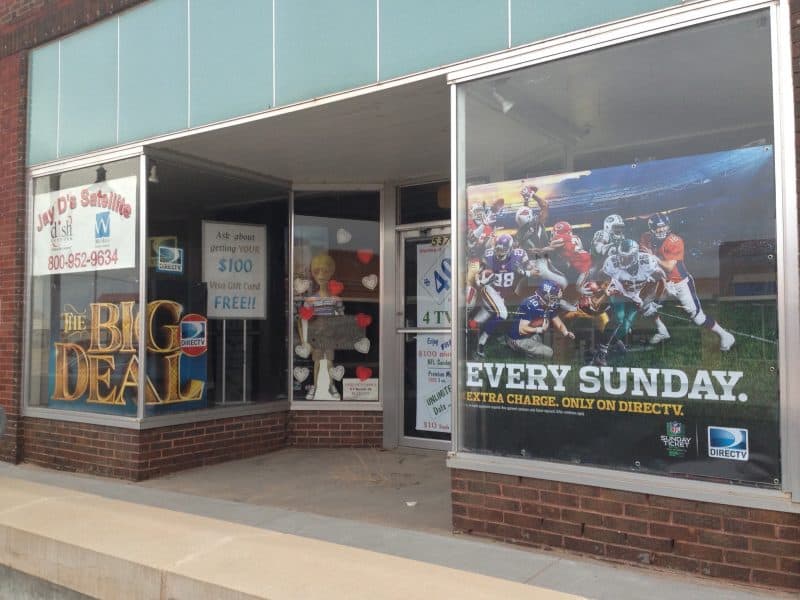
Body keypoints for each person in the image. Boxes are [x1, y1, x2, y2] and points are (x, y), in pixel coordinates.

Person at [639, 212, 735, 350]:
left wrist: (653, 258)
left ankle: (726, 335)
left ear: (668, 226)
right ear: (651, 229)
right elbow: (643, 259)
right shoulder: (646, 237)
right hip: (661, 281)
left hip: (680, 283)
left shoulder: (675, 241)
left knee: (698, 317)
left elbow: (669, 266)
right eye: (658, 228)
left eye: (664, 226)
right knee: (645, 306)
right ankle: (662, 331)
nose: (661, 230)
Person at [592, 239, 666, 366]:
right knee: (619, 318)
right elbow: (600, 276)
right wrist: (607, 288)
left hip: (635, 294)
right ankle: (601, 352)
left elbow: (661, 279)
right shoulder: (613, 262)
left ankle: (612, 342)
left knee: (626, 326)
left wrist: (653, 301)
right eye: (621, 256)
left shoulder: (646, 262)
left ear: (635, 256)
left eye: (627, 257)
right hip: (618, 291)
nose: (622, 260)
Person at [299, 253, 344, 400]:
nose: (321, 275)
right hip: (316, 335)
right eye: (317, 271)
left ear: (331, 273)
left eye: (325, 271)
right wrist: (305, 340)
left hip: (329, 334)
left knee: (330, 361)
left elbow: (341, 318)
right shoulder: (311, 299)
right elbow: (304, 320)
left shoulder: (335, 299)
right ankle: (315, 386)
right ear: (312, 273)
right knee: (317, 361)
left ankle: (331, 386)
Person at [505, 280, 574, 359]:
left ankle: (527, 356)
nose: (556, 301)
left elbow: (559, 323)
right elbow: (522, 329)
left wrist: (566, 333)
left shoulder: (548, 304)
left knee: (542, 340)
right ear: (544, 296)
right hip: (517, 339)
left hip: (530, 336)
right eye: (553, 297)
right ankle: (515, 350)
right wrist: (539, 329)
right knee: (549, 352)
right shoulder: (529, 304)